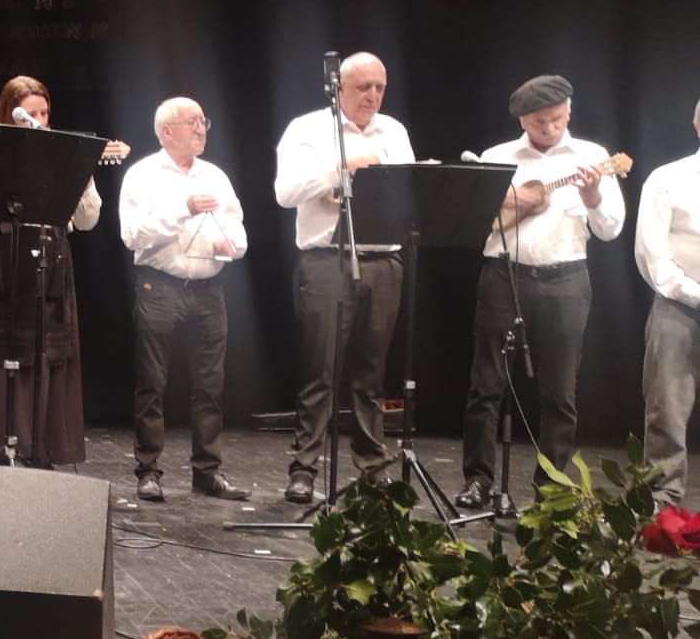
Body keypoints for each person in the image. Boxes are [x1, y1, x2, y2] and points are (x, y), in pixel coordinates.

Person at [447, 75, 624, 507]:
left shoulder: (593, 157)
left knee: (560, 392)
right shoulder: (497, 158)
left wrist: (593, 194)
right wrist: (505, 201)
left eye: (557, 118)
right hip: (503, 276)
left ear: (569, 111)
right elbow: (465, 223)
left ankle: (551, 488)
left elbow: (610, 229)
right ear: (523, 120)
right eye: (539, 121)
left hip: (566, 279)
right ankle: (478, 480)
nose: (550, 128)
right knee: (486, 385)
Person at [0, 75, 125, 467]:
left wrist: (84, 175)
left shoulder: (63, 154)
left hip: (46, 256)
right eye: (30, 113)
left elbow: (88, 221)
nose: (39, 120)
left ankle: (37, 446)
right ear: (9, 114)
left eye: (44, 113)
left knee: (44, 350)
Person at [274, 51, 414, 504]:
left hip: (383, 261)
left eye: (380, 88)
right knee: (321, 370)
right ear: (339, 87)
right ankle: (304, 468)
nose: (373, 95)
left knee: (371, 374)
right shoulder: (307, 129)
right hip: (327, 259)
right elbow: (285, 192)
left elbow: (407, 192)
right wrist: (342, 166)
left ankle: (372, 467)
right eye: (363, 87)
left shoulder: (394, 132)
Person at [119, 97, 250, 501]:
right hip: (159, 287)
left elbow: (237, 227)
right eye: (191, 122)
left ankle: (207, 472)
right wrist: (184, 209)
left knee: (210, 385)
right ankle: (148, 470)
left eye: (203, 121)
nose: (200, 128)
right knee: (152, 382)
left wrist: (231, 246)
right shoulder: (142, 174)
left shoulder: (215, 175)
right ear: (166, 131)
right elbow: (132, 235)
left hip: (208, 290)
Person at [637, 98, 700, 505]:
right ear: (698, 126)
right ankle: (663, 500)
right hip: (679, 307)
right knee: (667, 409)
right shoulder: (668, 179)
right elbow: (653, 256)